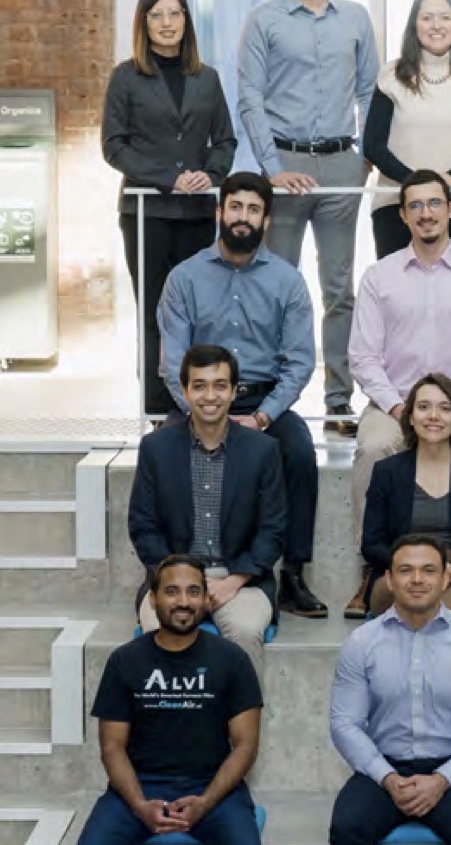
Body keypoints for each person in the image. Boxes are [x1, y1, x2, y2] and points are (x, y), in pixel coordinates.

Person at [159, 171, 327, 619]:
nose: (243, 217)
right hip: (199, 401)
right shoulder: (184, 278)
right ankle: (168, 569)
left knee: (299, 452)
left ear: (266, 220)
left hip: (263, 404)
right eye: (235, 207)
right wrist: (203, 411)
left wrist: (262, 419)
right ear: (220, 212)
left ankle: (292, 573)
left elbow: (299, 362)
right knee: (160, 452)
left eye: (253, 209)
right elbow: (171, 363)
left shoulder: (288, 282)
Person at [346, 169, 451, 618]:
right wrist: (402, 409)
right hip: (394, 403)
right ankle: (373, 567)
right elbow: (363, 357)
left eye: (434, 203)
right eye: (415, 206)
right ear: (402, 215)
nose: (426, 213)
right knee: (375, 445)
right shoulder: (379, 277)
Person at [237, 0, 380, 437]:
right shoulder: (264, 20)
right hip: (284, 168)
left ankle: (339, 404)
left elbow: (370, 94)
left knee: (340, 288)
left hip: (341, 166)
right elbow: (250, 97)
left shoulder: (356, 20)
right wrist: (272, 172)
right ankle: (273, 401)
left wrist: (364, 159)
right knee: (277, 285)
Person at [102, 0, 236, 416]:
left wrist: (209, 176)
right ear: (144, 23)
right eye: (156, 15)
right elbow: (114, 145)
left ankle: (202, 406)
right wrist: (170, 179)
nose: (166, 23)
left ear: (186, 21)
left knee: (200, 312)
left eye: (174, 14)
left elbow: (225, 141)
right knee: (156, 313)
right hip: (147, 213)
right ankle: (159, 411)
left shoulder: (207, 78)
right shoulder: (126, 77)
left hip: (197, 213)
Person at [329, 534, 451, 845]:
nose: (416, 579)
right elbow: (344, 723)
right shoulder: (361, 643)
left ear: (445, 579)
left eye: (428, 570)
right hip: (383, 766)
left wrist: (442, 779)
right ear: (388, 579)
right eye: (405, 570)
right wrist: (388, 778)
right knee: (346, 828)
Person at [77, 555, 263, 845]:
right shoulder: (124, 661)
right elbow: (112, 747)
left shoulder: (233, 660)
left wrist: (205, 802)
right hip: (139, 786)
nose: (183, 602)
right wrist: (139, 805)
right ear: (153, 599)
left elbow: (245, 745)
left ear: (205, 600)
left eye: (193, 591)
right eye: (172, 591)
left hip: (213, 788)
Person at [128, 344, 286, 681]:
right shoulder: (156, 448)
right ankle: (172, 730)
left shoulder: (263, 450)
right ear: (184, 391)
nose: (209, 396)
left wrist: (234, 581)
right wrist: (181, 582)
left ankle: (241, 732)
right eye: (199, 385)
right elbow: (143, 526)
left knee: (244, 631)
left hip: (241, 580)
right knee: (160, 625)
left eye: (219, 385)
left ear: (233, 391)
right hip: (172, 576)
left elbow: (273, 529)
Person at [363, 0, 451, 258]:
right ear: (414, 27)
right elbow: (373, 145)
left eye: (445, 17)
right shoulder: (390, 75)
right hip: (396, 205)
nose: (436, 25)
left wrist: (445, 182)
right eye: (427, 18)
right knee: (398, 296)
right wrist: (415, 186)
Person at [361, 373, 451, 623]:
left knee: (441, 615)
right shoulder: (387, 471)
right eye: (423, 407)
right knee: (405, 603)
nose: (433, 416)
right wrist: (410, 567)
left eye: (444, 408)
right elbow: (371, 543)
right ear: (410, 416)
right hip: (402, 571)